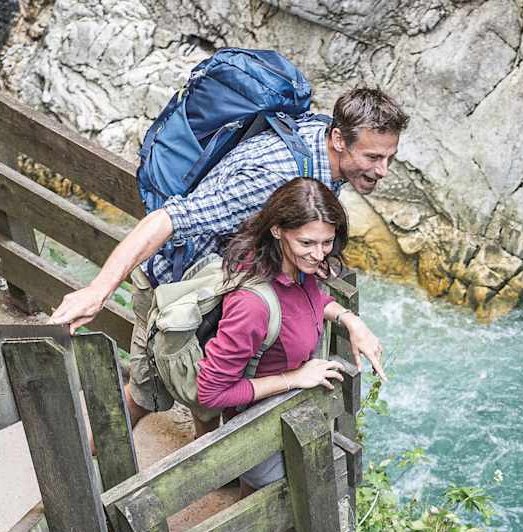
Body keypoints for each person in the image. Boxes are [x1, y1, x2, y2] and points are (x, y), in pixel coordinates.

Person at [49, 86, 407, 431]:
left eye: (389, 157)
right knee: (146, 397)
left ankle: (207, 455)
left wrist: (341, 310)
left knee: (207, 406)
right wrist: (98, 291)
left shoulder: (326, 154)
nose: (383, 170)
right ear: (339, 139)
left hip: (225, 284)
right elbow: (167, 219)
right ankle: (84, 461)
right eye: (373, 158)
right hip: (177, 287)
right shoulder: (272, 176)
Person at [197, 177, 352, 532]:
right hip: (258, 423)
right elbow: (211, 393)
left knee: (257, 488)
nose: (319, 254)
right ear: (278, 230)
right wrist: (295, 377)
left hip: (279, 414)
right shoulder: (252, 305)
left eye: (327, 242)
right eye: (307, 242)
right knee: (299, 488)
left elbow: (309, 301)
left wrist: (350, 321)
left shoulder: (297, 268)